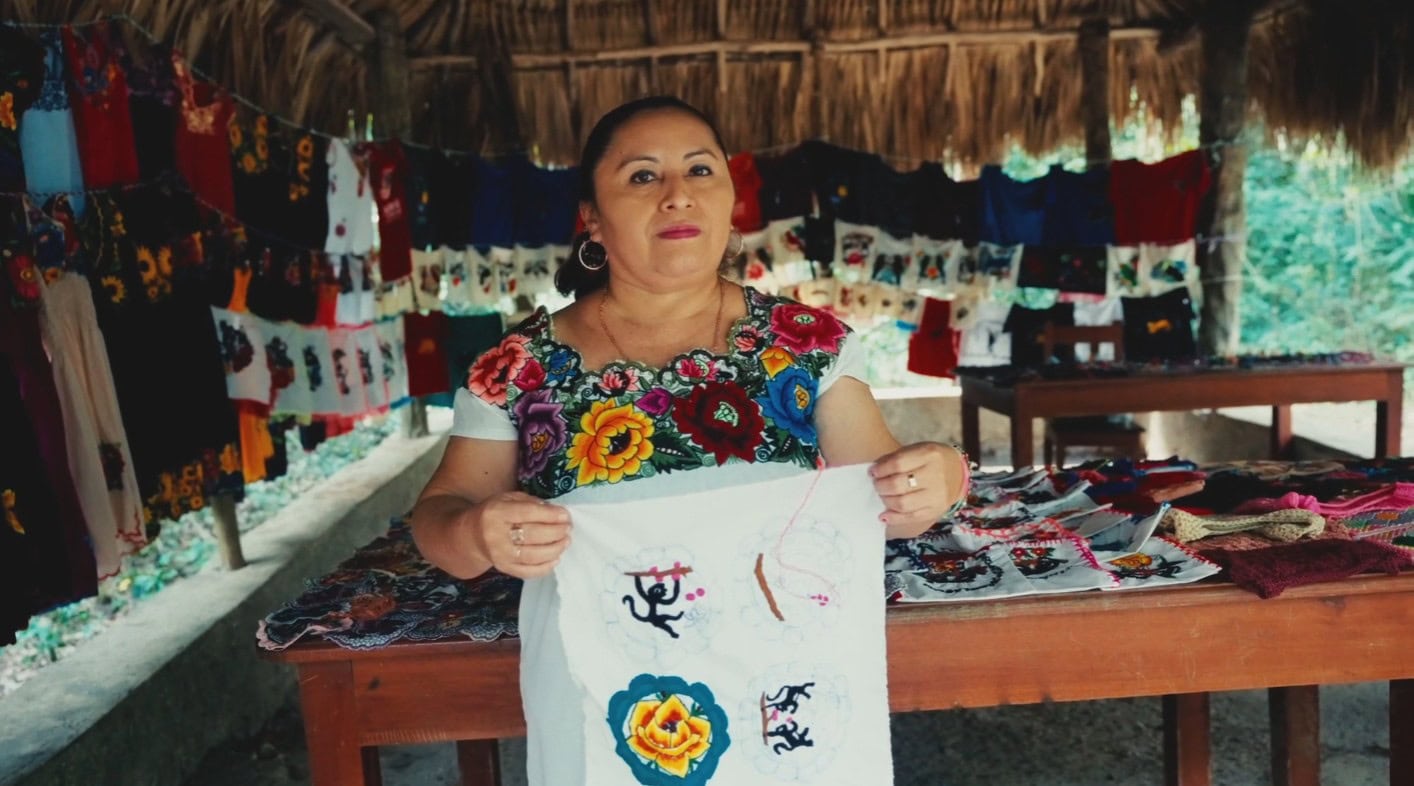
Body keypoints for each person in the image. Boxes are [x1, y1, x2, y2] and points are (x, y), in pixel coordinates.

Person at [409, 95, 970, 785]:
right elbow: (439, 518)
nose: (677, 196)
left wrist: (942, 477)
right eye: (642, 177)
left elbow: (890, 488)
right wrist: (478, 533)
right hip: (606, 693)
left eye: (700, 171)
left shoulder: (805, 344)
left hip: (778, 683)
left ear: (731, 199)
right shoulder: (518, 367)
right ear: (591, 216)